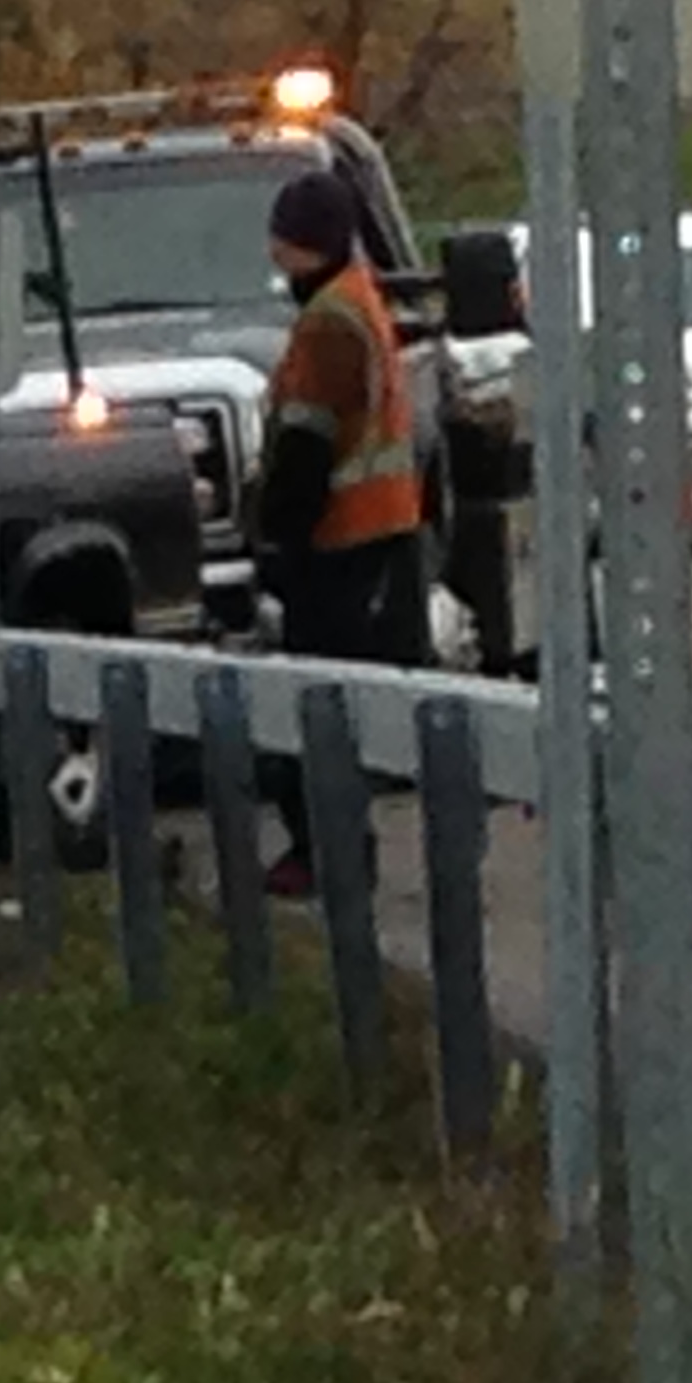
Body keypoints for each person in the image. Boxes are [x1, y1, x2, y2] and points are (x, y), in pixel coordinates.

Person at [256, 167, 427, 896]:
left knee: (314, 711)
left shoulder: (328, 319)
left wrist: (275, 541)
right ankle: (337, 849)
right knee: (345, 710)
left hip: (336, 543)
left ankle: (323, 853)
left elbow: (305, 444)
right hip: (381, 530)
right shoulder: (362, 299)